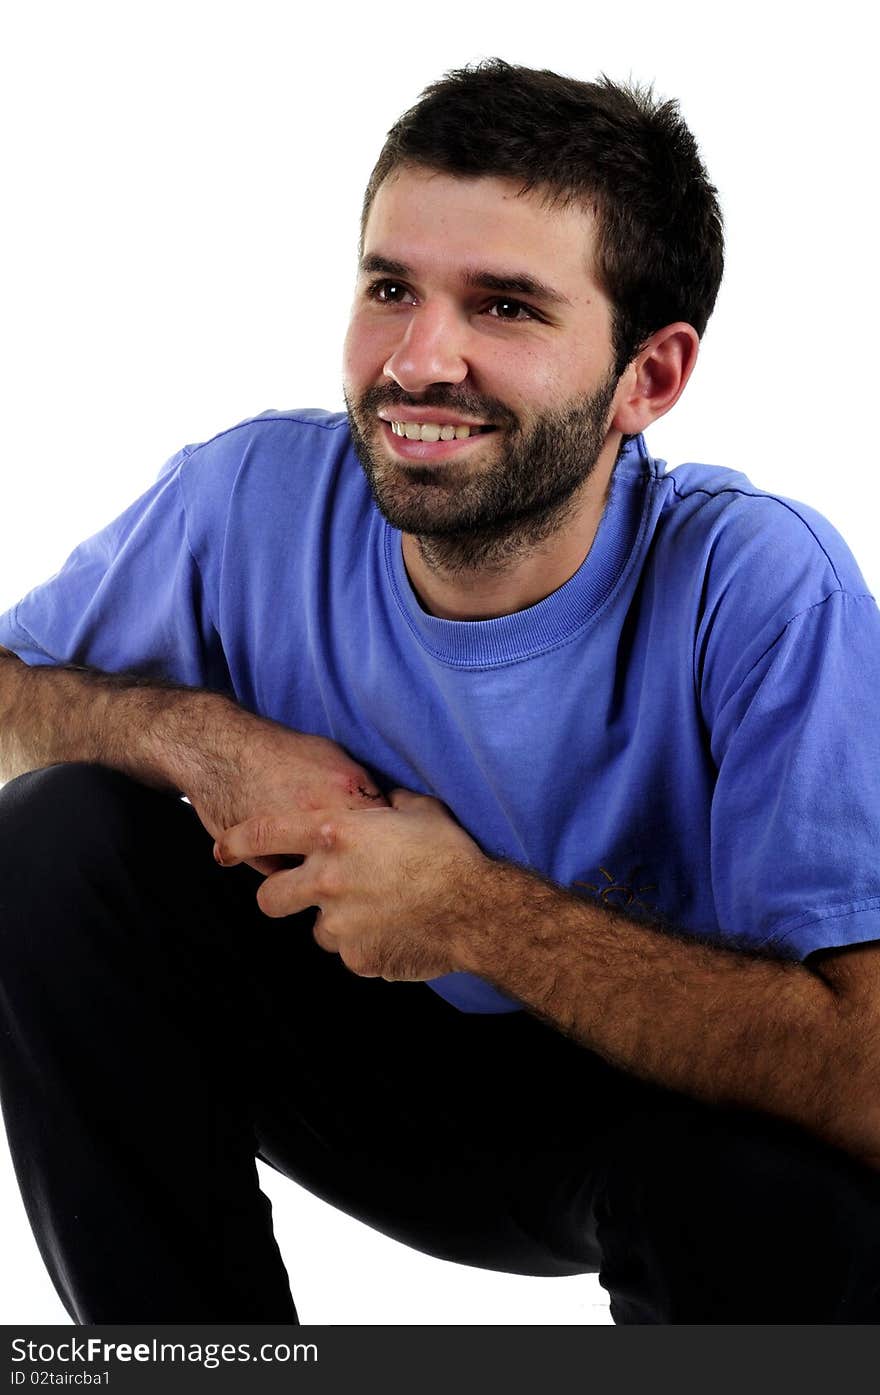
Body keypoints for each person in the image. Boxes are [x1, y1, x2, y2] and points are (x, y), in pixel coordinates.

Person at [1, 57, 879, 1327]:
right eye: (391, 288)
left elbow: (860, 1075)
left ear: (650, 378)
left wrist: (469, 911)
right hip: (357, 1055)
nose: (419, 361)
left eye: (506, 308)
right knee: (52, 846)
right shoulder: (245, 498)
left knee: (773, 1191)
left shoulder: (763, 586)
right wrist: (195, 737)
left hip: (653, 1101)